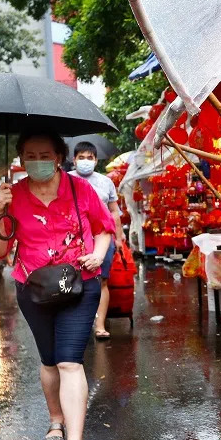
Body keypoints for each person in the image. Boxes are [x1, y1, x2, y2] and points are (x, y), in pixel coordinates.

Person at [0, 129, 114, 440]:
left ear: (59, 157)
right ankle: (55, 419)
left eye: (45, 155)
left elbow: (105, 227)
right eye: (30, 155)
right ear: (21, 159)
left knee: (70, 361)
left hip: (79, 285)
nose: (38, 162)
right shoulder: (13, 196)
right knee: (49, 360)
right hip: (34, 288)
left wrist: (97, 255)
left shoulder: (80, 189)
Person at [69, 141, 125, 340]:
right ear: (73, 160)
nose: (85, 161)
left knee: (101, 281)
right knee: (73, 281)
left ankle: (99, 325)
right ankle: (76, 325)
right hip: (73, 240)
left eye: (89, 158)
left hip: (104, 238)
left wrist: (118, 239)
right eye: (81, 157)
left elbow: (114, 213)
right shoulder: (65, 180)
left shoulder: (105, 182)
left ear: (96, 160)